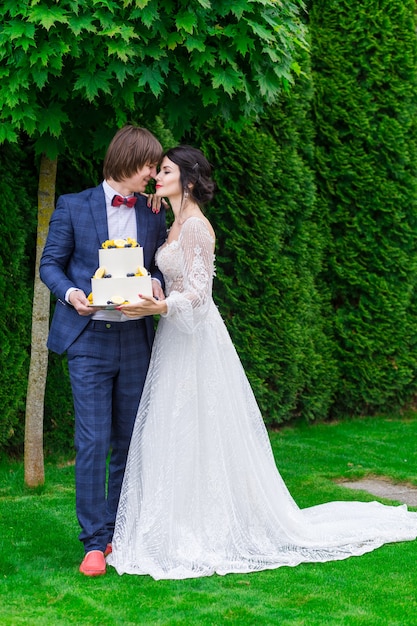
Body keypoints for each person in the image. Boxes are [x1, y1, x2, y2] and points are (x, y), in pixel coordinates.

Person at [107, 145, 417, 580]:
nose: (158, 175)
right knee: (171, 425)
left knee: (198, 424)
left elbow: (198, 294)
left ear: (189, 180)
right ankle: (169, 524)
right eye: (159, 170)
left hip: (195, 337)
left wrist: (161, 308)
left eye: (167, 170)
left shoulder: (196, 227)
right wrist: (159, 295)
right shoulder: (173, 223)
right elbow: (176, 281)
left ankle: (204, 528)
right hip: (173, 336)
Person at [40, 125, 167, 577]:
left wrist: (156, 283)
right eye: (150, 166)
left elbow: (160, 268)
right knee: (93, 441)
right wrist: (73, 295)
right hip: (88, 340)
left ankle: (120, 532)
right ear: (129, 161)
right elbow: (49, 265)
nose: (153, 175)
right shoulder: (73, 206)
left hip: (136, 339)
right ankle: (94, 543)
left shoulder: (154, 213)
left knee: (130, 440)